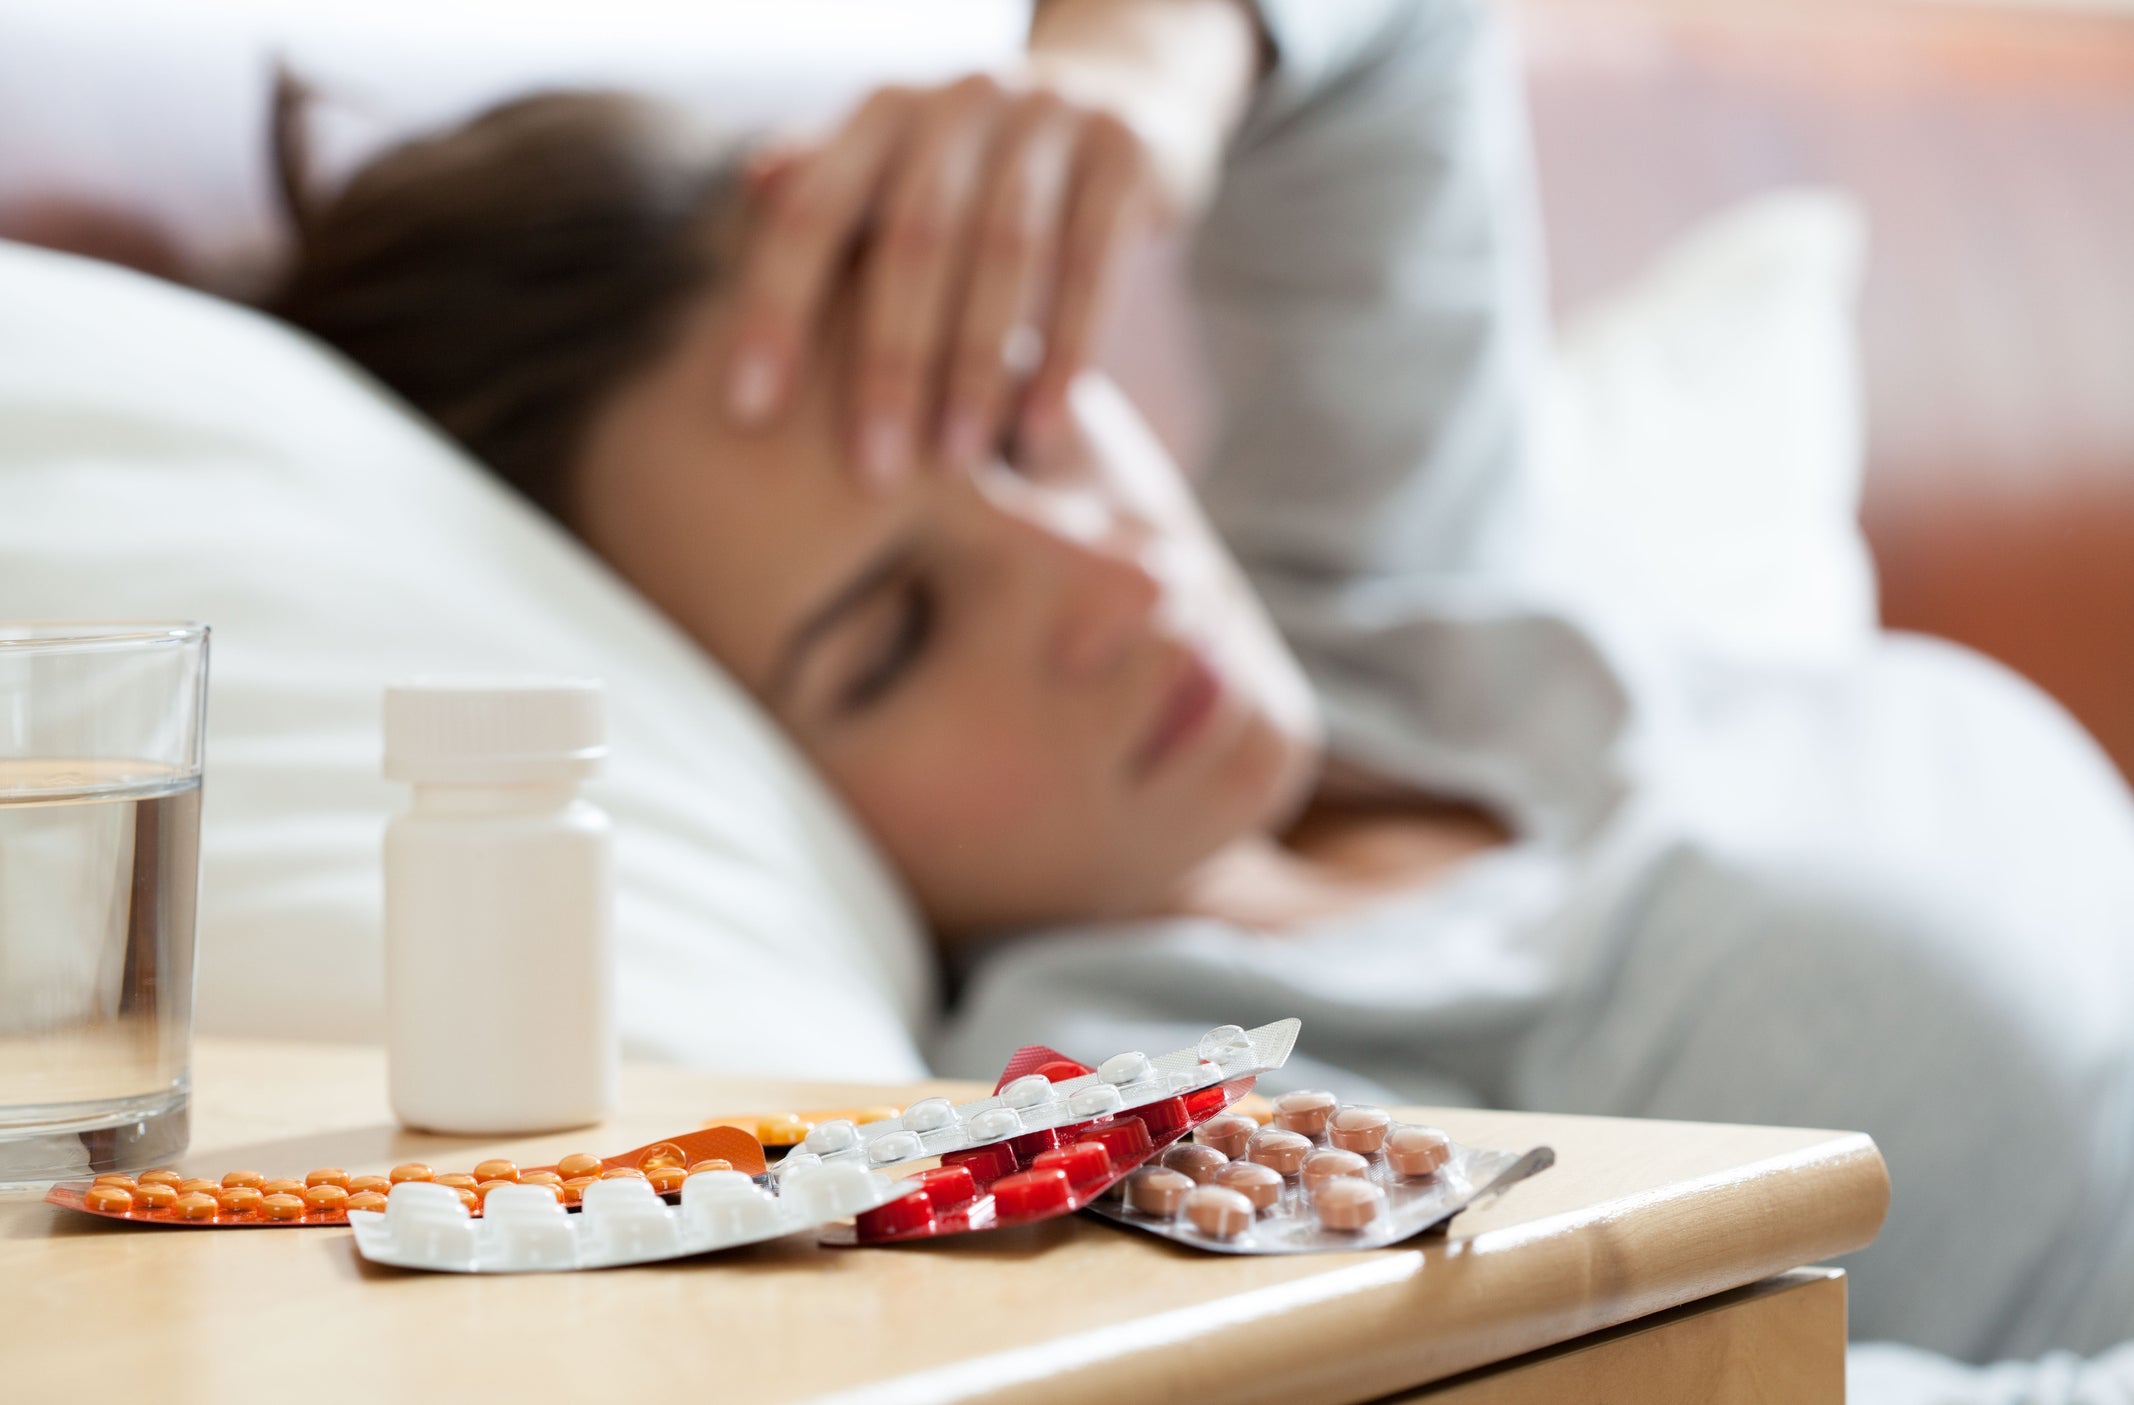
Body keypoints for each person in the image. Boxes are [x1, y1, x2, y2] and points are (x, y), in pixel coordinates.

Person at [267, 0, 2134, 1398]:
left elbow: (1396, 41)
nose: (1101, 578)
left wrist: (1122, 78)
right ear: (744, 762)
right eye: (893, 638)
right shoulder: (1169, 1123)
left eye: (1017, 411)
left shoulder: (1395, 627)